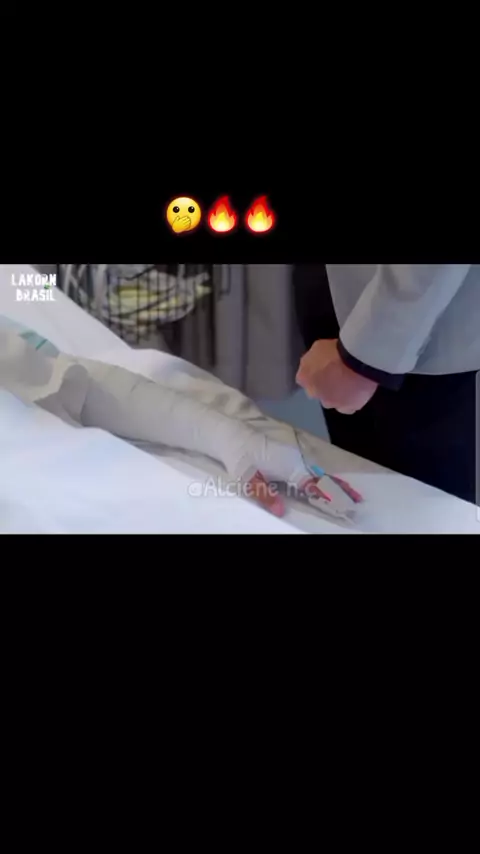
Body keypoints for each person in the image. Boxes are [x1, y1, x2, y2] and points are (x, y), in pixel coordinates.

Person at [294, 264, 479, 504]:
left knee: (421, 508)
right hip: (349, 305)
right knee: (363, 499)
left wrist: (365, 356)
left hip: (419, 334)